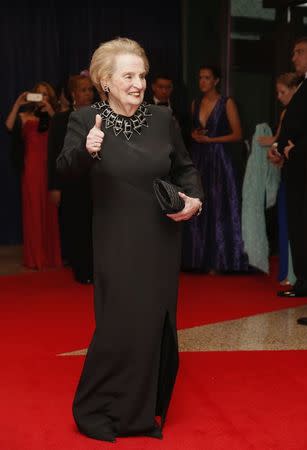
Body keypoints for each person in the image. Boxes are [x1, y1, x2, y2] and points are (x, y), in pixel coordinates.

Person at [56, 37, 203, 442]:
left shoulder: (162, 119)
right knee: (120, 324)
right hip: (115, 240)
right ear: (105, 80)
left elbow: (185, 169)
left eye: (142, 75)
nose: (140, 83)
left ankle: (141, 413)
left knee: (155, 323)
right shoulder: (86, 119)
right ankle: (97, 407)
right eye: (129, 76)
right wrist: (87, 150)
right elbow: (65, 170)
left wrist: (194, 200)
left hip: (161, 237)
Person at [182, 65, 248, 273]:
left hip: (220, 160)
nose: (202, 81)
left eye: (207, 78)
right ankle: (197, 259)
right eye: (200, 77)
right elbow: (193, 131)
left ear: (216, 81)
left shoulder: (226, 103)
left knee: (220, 208)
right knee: (198, 206)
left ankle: (222, 260)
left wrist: (212, 139)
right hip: (200, 159)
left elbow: (238, 134)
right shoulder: (195, 103)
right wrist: (195, 136)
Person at [268, 37, 307, 325]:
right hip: (297, 168)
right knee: (299, 226)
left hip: (305, 165)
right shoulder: (305, 83)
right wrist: (282, 148)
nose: (294, 57)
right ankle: (304, 281)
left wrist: (299, 147)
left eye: (300, 51)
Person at [5, 81, 62, 269]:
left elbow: (62, 133)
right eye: (38, 94)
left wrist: (50, 111)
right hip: (31, 169)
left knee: (50, 211)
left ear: (50, 98)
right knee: (33, 211)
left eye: (45, 95)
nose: (41, 98)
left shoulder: (55, 117)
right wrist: (18, 103)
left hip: (50, 169)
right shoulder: (24, 116)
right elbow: (8, 125)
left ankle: (51, 256)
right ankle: (35, 257)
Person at [48, 74, 95, 283]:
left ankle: (96, 269)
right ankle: (82, 270)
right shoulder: (60, 121)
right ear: (74, 94)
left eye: (90, 90)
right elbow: (54, 155)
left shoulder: (100, 117)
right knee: (77, 225)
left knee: (96, 226)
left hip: (97, 181)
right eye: (83, 90)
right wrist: (55, 187)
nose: (88, 94)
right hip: (73, 182)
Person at [258, 72, 300, 285]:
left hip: (295, 174)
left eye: (282, 92)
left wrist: (272, 145)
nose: (279, 96)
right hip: (289, 170)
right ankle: (290, 274)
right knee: (287, 223)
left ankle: (293, 275)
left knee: (292, 224)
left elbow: (280, 141)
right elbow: (280, 143)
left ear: (295, 90)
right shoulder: (288, 112)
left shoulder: (292, 112)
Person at [146, 73, 190, 145]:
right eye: (160, 87)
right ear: (153, 87)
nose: (164, 91)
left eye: (168, 87)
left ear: (172, 88)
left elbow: (185, 135)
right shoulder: (144, 108)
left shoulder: (180, 109)